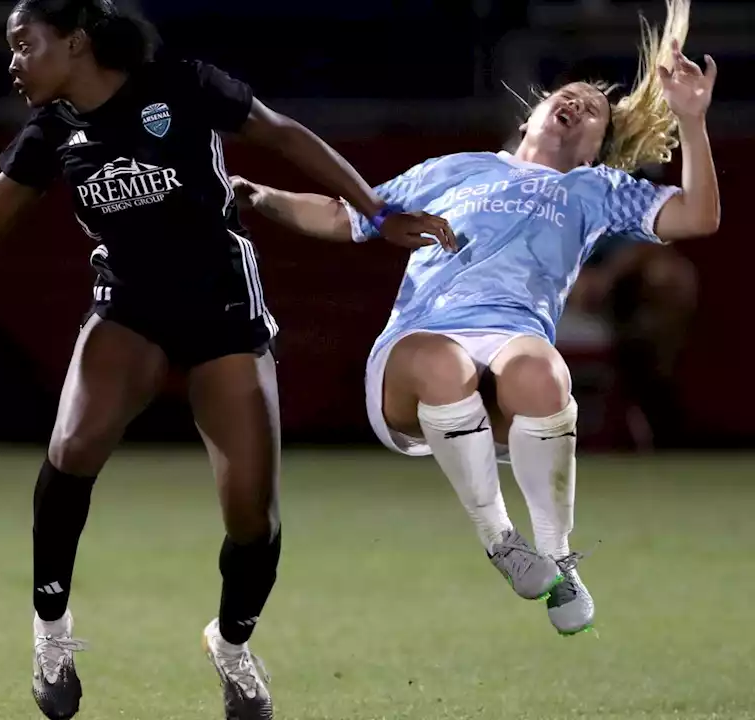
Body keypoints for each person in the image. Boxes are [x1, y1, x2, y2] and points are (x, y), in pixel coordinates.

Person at [0, 1, 451, 718]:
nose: (14, 62)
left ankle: (233, 644)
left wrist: (373, 209)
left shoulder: (183, 85)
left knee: (253, 519)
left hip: (222, 311)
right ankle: (51, 633)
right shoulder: (51, 133)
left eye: (26, 45)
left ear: (77, 42)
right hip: (129, 310)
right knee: (72, 446)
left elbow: (285, 135)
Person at [230, 0, 717, 637]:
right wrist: (258, 195)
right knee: (441, 361)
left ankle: (559, 560)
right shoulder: (453, 170)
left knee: (544, 370)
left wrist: (692, 122)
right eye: (566, 96)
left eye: (593, 110)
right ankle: (501, 541)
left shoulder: (596, 190)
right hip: (417, 349)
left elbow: (700, 217)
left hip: (513, 345)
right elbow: (342, 216)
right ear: (535, 109)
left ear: (604, 144)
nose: (575, 105)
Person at [567, 234, 698, 450]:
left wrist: (606, 277)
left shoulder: (626, 206)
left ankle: (650, 404)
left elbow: (652, 242)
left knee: (665, 276)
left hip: (617, 292)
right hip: (554, 285)